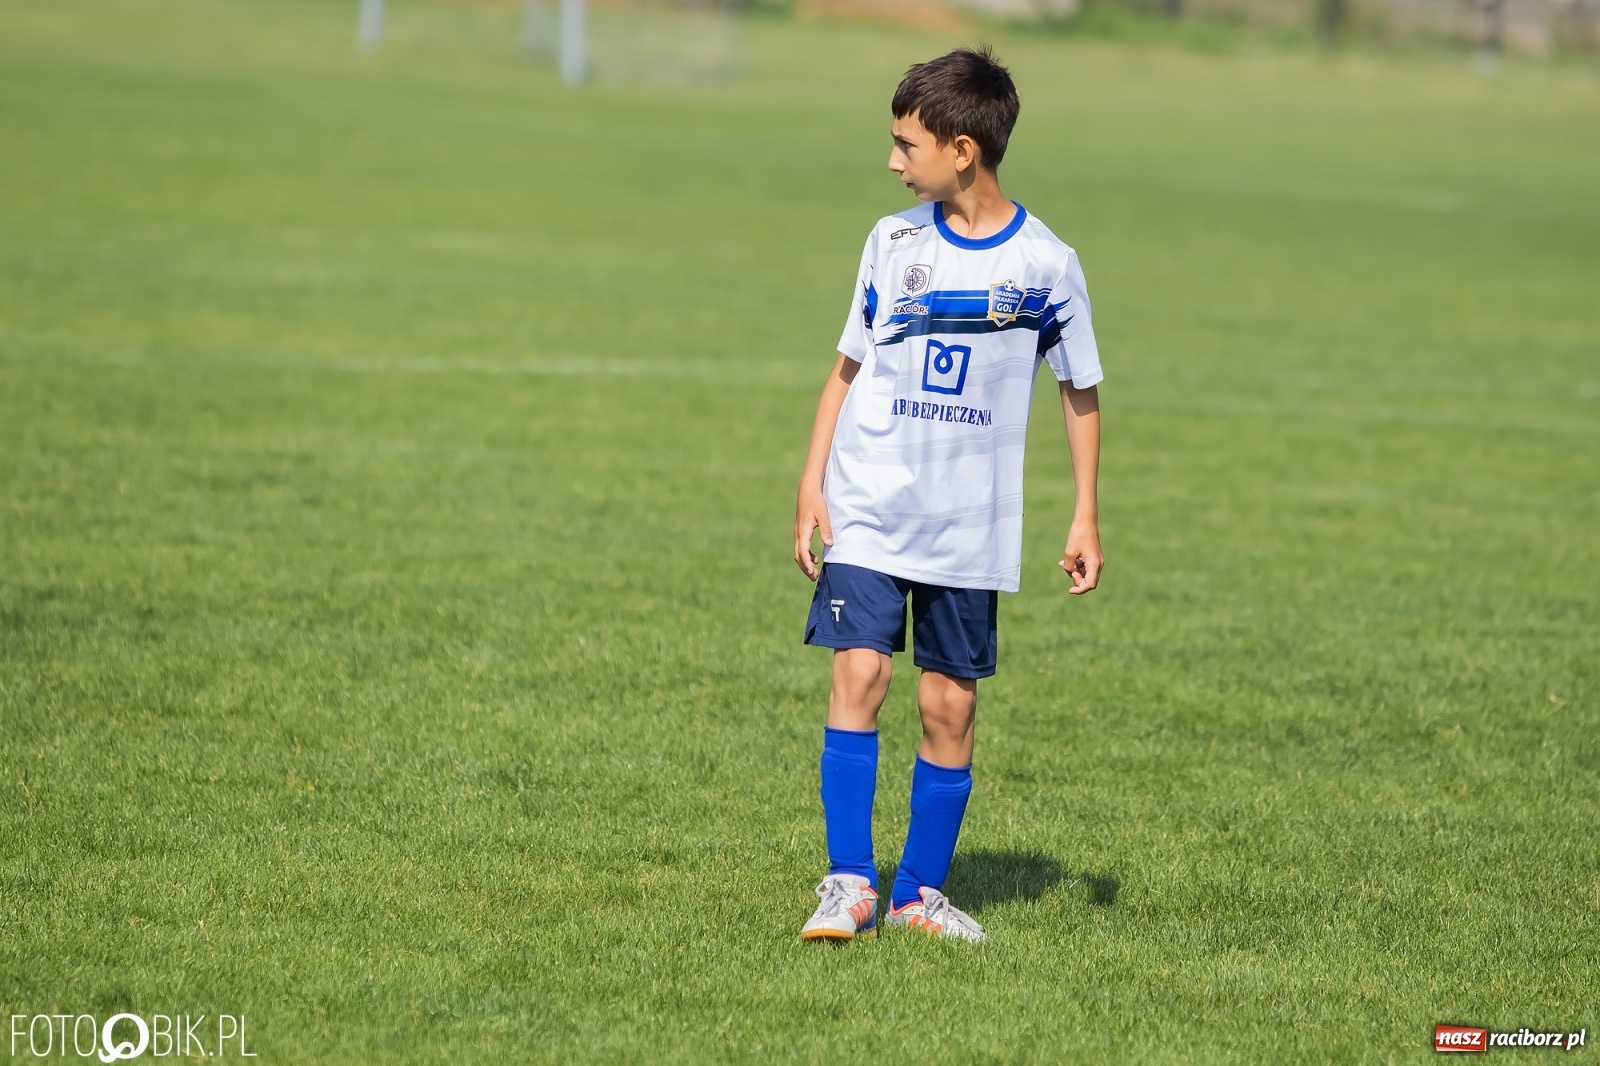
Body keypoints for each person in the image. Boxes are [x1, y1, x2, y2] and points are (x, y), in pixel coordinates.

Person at [792, 46, 1104, 943]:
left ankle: (917, 893)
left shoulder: (1047, 266)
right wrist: (813, 482)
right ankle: (850, 882)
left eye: (906, 144)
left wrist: (1084, 511)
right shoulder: (892, 243)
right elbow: (845, 369)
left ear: (962, 150)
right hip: (871, 501)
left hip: (971, 522)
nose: (893, 161)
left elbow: (1078, 391)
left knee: (949, 703)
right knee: (860, 670)